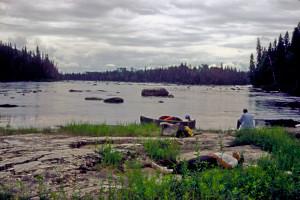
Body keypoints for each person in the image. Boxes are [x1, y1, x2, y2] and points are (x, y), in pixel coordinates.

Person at [173, 152, 244, 173]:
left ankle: (174, 170)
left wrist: (217, 158)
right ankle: (174, 167)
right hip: (211, 157)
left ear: (238, 157)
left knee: (194, 164)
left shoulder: (235, 161)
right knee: (191, 160)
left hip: (213, 160)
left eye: (238, 153)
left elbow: (227, 166)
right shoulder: (231, 157)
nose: (235, 152)